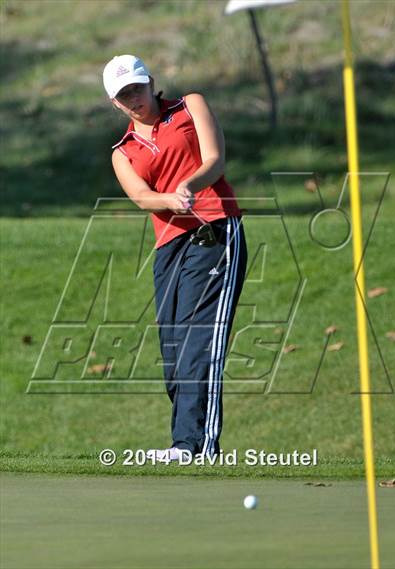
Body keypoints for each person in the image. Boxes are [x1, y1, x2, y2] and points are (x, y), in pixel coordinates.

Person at [103, 54, 248, 461]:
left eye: (136, 88)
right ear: (115, 103)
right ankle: (186, 441)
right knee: (173, 352)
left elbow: (214, 160)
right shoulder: (123, 151)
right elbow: (141, 196)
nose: (133, 98)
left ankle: (193, 446)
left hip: (214, 231)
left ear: (150, 82)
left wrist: (190, 184)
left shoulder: (190, 106)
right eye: (123, 95)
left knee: (200, 343)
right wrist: (170, 199)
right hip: (168, 246)